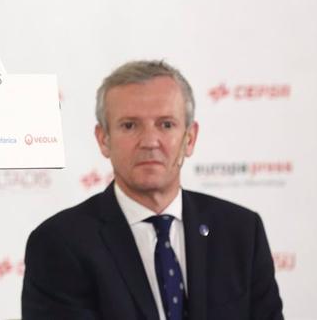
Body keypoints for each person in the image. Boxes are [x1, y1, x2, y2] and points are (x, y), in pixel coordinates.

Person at [22, 60, 283, 320]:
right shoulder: (59, 244)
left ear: (189, 139)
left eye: (166, 124)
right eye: (129, 125)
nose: (149, 142)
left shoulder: (242, 232)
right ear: (103, 140)